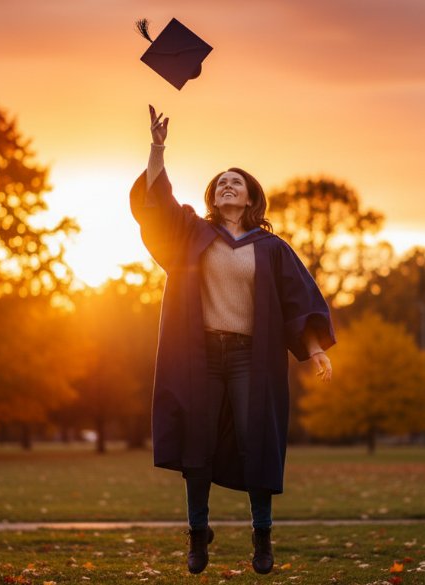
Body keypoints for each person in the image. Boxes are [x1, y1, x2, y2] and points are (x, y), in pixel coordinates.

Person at [130, 105, 335, 575]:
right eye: (220, 181)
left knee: (256, 438)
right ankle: (197, 534)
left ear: (249, 199)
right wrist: (157, 148)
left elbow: (297, 301)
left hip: (249, 358)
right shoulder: (192, 235)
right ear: (213, 195)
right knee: (195, 442)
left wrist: (316, 347)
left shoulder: (271, 248)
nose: (227, 185)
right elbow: (156, 206)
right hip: (200, 356)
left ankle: (262, 536)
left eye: (235, 182)